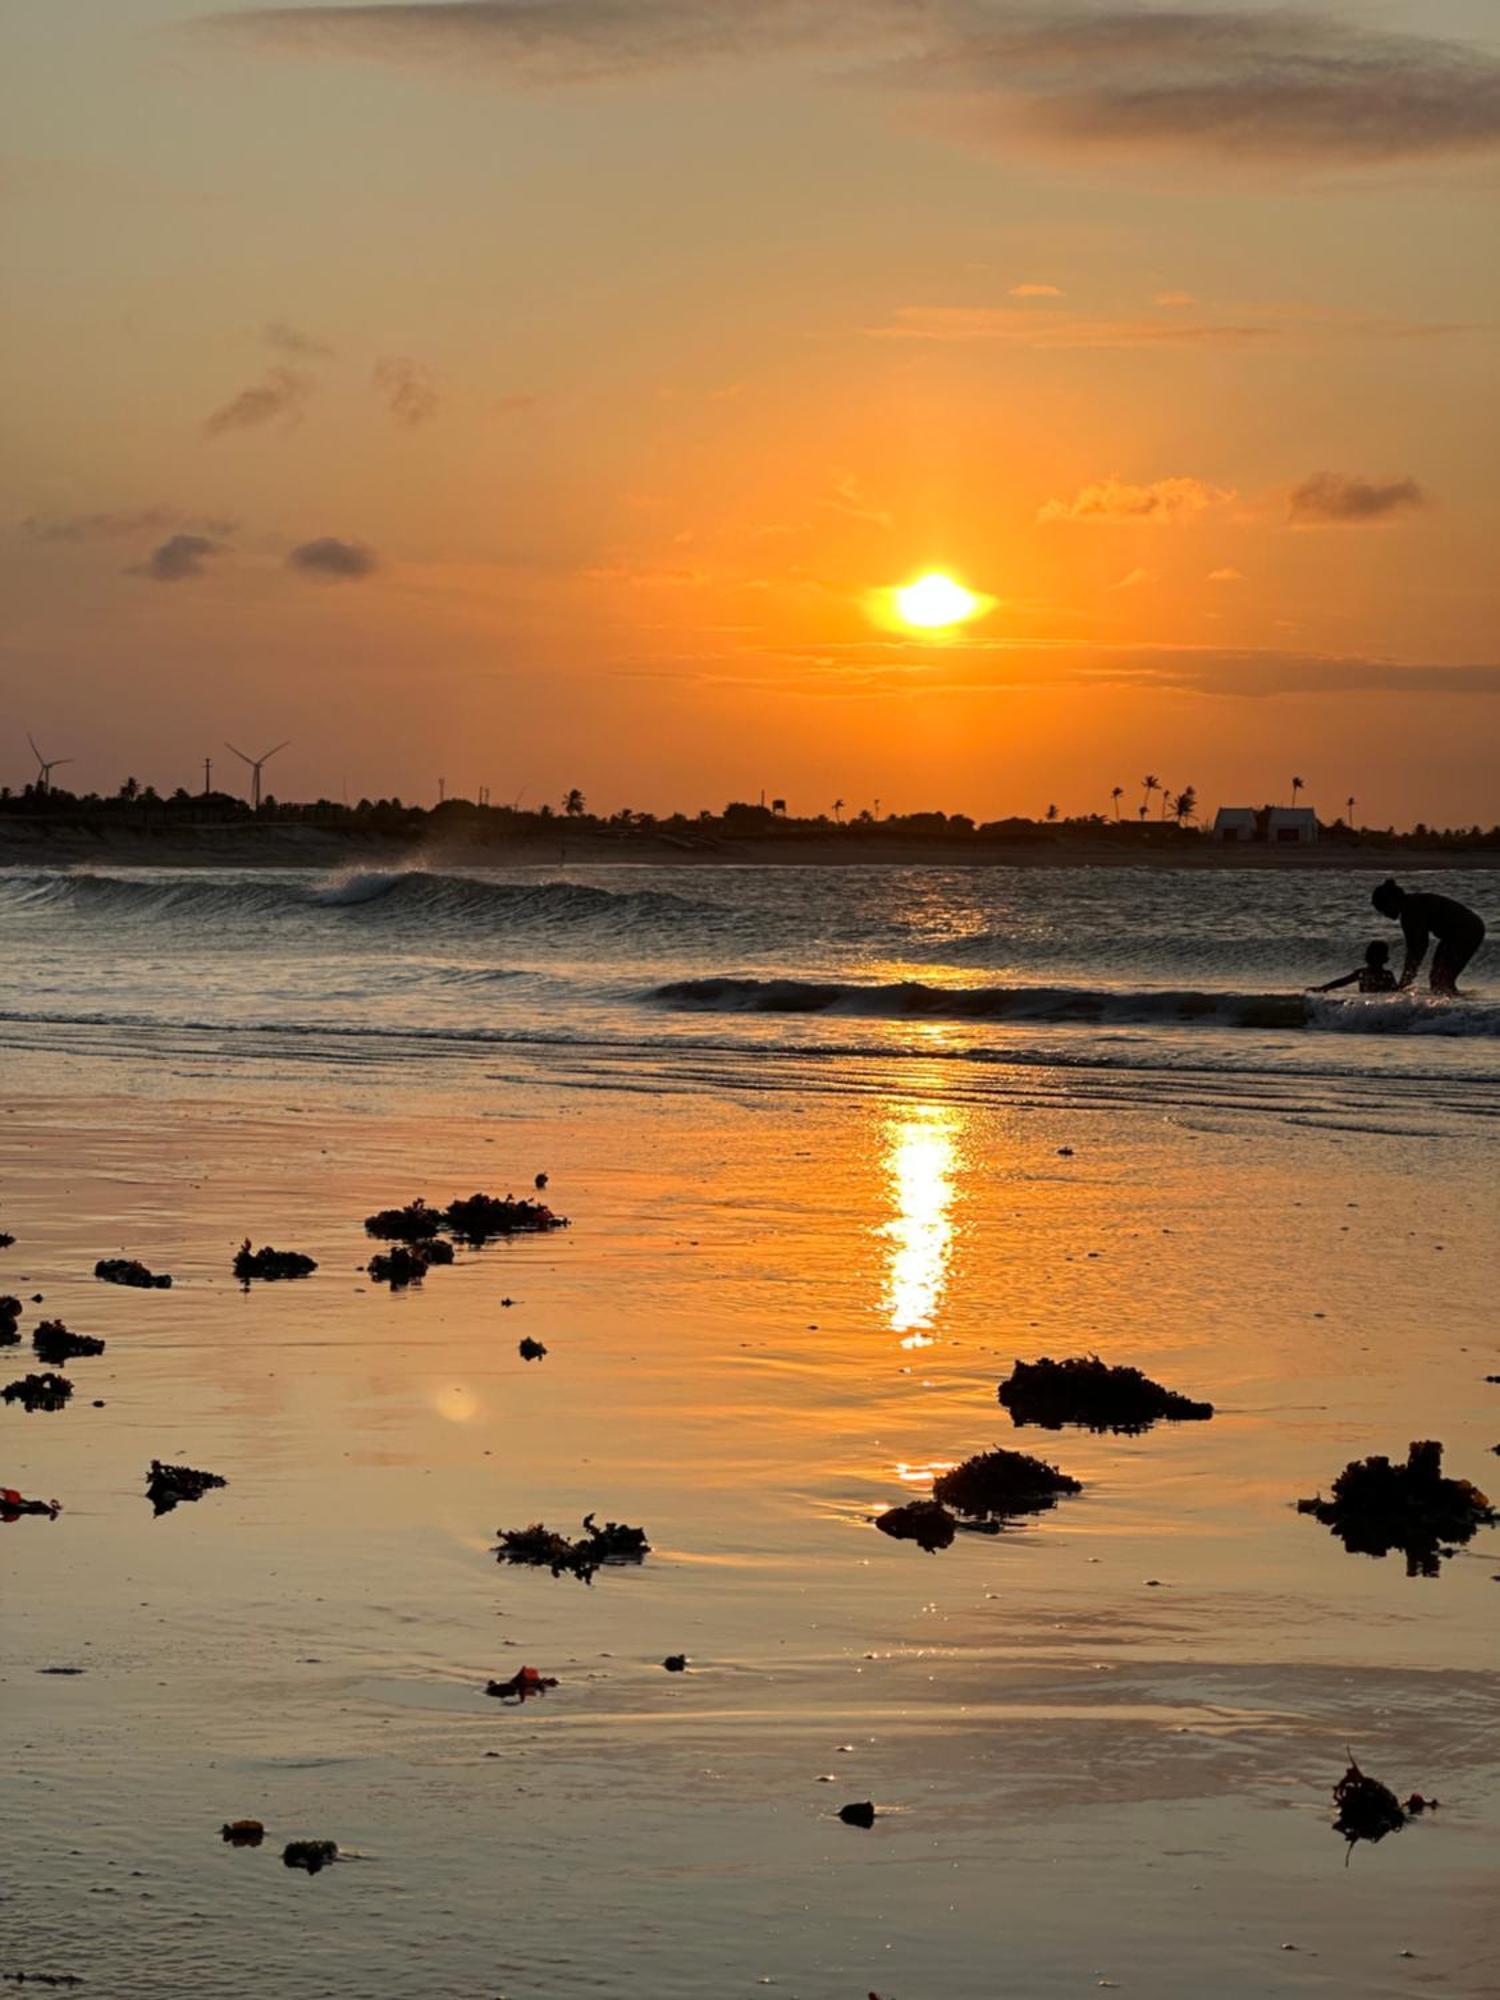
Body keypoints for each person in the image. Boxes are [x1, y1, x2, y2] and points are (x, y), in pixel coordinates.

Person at [1371, 878, 1486, 996]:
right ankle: (1458, 1006)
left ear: (1392, 902)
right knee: (1438, 979)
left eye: (1384, 910)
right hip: (1456, 934)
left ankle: (1459, 1009)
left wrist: (1405, 980)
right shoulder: (1411, 905)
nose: (1385, 915)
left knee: (1441, 979)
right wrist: (1407, 978)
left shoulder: (1411, 910)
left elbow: (1418, 948)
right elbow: (1416, 948)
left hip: (1467, 930)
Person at [1311, 940, 1397, 995]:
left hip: (1365, 1007)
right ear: (1385, 959)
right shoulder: (1387, 974)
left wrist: (1323, 988)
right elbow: (1395, 992)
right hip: (1382, 1008)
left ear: (1367, 957)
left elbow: (1342, 982)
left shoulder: (1362, 973)